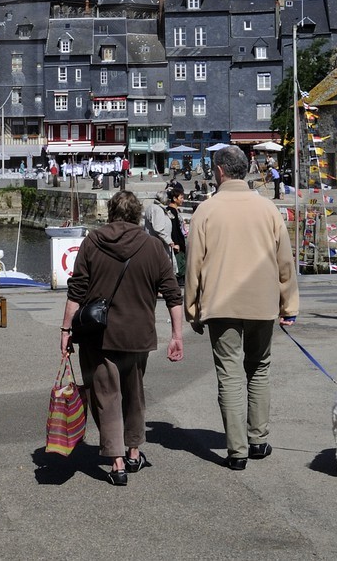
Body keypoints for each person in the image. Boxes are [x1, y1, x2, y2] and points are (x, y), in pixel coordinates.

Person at [185, 145, 298, 471]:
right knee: (259, 367)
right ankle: (258, 439)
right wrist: (288, 304)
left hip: (221, 303)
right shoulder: (268, 209)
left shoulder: (206, 211)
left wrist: (192, 307)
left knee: (230, 374)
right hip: (262, 303)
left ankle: (237, 451)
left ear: (219, 171)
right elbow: (285, 262)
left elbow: (193, 264)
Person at [61, 190, 184, 486]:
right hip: (138, 334)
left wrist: (65, 331)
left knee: (105, 396)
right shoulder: (154, 247)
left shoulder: (92, 243)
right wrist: (177, 335)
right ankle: (132, 452)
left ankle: (116, 463)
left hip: (98, 334)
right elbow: (172, 294)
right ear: (137, 215)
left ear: (112, 213)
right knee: (134, 393)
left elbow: (76, 292)